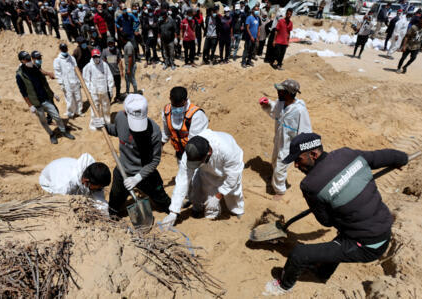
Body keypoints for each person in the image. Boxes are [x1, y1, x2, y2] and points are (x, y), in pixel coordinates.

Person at [263, 133, 409, 295]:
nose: (296, 165)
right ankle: (322, 272)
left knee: (298, 254)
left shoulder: (310, 185)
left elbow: (325, 221)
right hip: (384, 227)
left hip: (368, 245)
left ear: (313, 154)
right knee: (339, 240)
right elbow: (390, 156)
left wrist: (327, 203)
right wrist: (402, 160)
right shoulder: (348, 154)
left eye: (298, 159)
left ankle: (283, 286)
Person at [161, 130, 245, 227]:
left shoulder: (228, 150)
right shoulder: (189, 153)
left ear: (208, 153)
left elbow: (233, 176)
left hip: (228, 167)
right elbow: (182, 181)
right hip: (207, 170)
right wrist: (173, 211)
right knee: (208, 189)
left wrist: (218, 196)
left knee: (233, 192)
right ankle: (212, 215)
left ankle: (237, 210)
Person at [106, 94, 171, 215]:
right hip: (123, 170)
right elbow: (117, 130)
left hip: (144, 173)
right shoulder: (120, 117)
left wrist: (138, 178)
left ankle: (170, 210)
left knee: (162, 199)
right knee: (114, 202)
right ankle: (113, 215)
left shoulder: (154, 132)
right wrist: (104, 127)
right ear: (126, 112)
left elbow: (155, 160)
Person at [259, 79, 311, 200]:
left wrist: (301, 150)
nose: (278, 92)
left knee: (280, 168)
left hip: (289, 145)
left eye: (280, 91)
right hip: (279, 140)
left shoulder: (299, 110)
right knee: (274, 161)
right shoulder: (281, 103)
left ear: (288, 93)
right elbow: (274, 111)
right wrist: (267, 105)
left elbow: (305, 131)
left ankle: (280, 191)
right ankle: (276, 179)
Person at [15, 51, 75, 144]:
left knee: (57, 116)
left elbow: (44, 83)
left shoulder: (34, 68)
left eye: (29, 58)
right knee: (43, 121)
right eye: (27, 59)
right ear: (22, 61)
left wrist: (52, 93)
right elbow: (23, 92)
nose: (29, 60)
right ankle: (52, 135)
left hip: (45, 99)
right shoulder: (20, 75)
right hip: (36, 103)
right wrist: (30, 105)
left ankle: (63, 131)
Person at [39, 153, 111, 214]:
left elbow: (100, 200)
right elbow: (58, 198)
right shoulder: (65, 183)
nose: (99, 190)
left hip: (66, 167)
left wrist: (105, 213)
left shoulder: (94, 174)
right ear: (86, 181)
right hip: (49, 181)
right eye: (97, 188)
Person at [162, 86, 209, 161]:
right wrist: (160, 144)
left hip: (196, 154)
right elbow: (167, 132)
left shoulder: (196, 115)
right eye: (175, 105)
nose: (177, 107)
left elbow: (194, 140)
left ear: (185, 101)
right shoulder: (167, 112)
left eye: (180, 105)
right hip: (180, 153)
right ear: (170, 99)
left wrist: (186, 159)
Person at [82, 48, 114, 129]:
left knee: (106, 107)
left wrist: (110, 89)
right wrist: (90, 90)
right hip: (94, 92)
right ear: (92, 57)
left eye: (97, 56)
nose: (96, 58)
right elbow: (86, 79)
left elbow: (109, 77)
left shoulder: (105, 65)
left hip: (104, 91)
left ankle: (107, 122)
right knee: (95, 109)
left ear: (100, 56)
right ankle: (95, 125)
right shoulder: (89, 66)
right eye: (94, 56)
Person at [53, 43, 83, 119]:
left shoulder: (72, 58)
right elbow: (57, 72)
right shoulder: (57, 60)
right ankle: (70, 112)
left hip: (75, 80)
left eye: (65, 48)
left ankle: (79, 111)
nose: (64, 50)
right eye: (63, 49)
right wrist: (61, 83)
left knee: (78, 97)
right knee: (69, 98)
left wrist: (79, 80)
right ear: (60, 49)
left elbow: (76, 69)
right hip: (66, 82)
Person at [102, 37, 124, 102]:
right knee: (108, 87)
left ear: (114, 43)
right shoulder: (104, 51)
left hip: (116, 72)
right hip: (108, 74)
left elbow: (119, 61)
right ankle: (109, 99)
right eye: (109, 43)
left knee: (118, 86)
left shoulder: (117, 51)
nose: (111, 45)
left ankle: (117, 97)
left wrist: (121, 71)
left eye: (112, 43)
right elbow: (103, 62)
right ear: (107, 44)